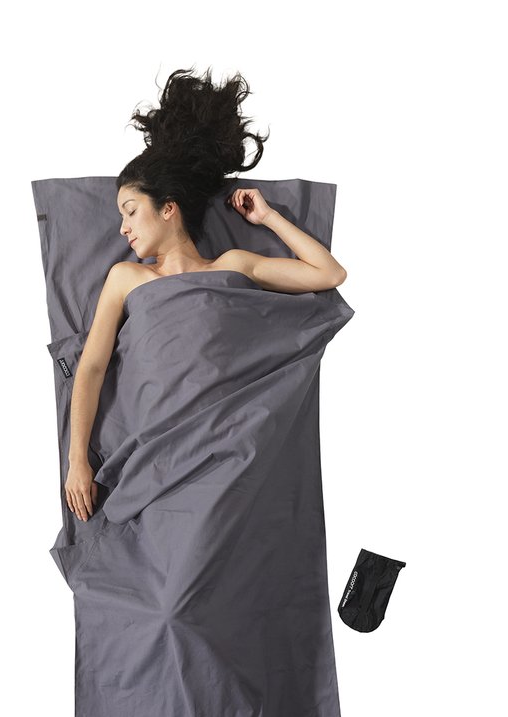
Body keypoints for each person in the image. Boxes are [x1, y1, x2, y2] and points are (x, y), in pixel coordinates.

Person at [64, 67, 348, 523]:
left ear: (168, 208)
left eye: (131, 211)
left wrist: (268, 217)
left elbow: (329, 273)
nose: (123, 228)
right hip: (161, 450)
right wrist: (77, 459)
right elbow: (93, 367)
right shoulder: (126, 277)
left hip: (229, 443)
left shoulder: (232, 264)